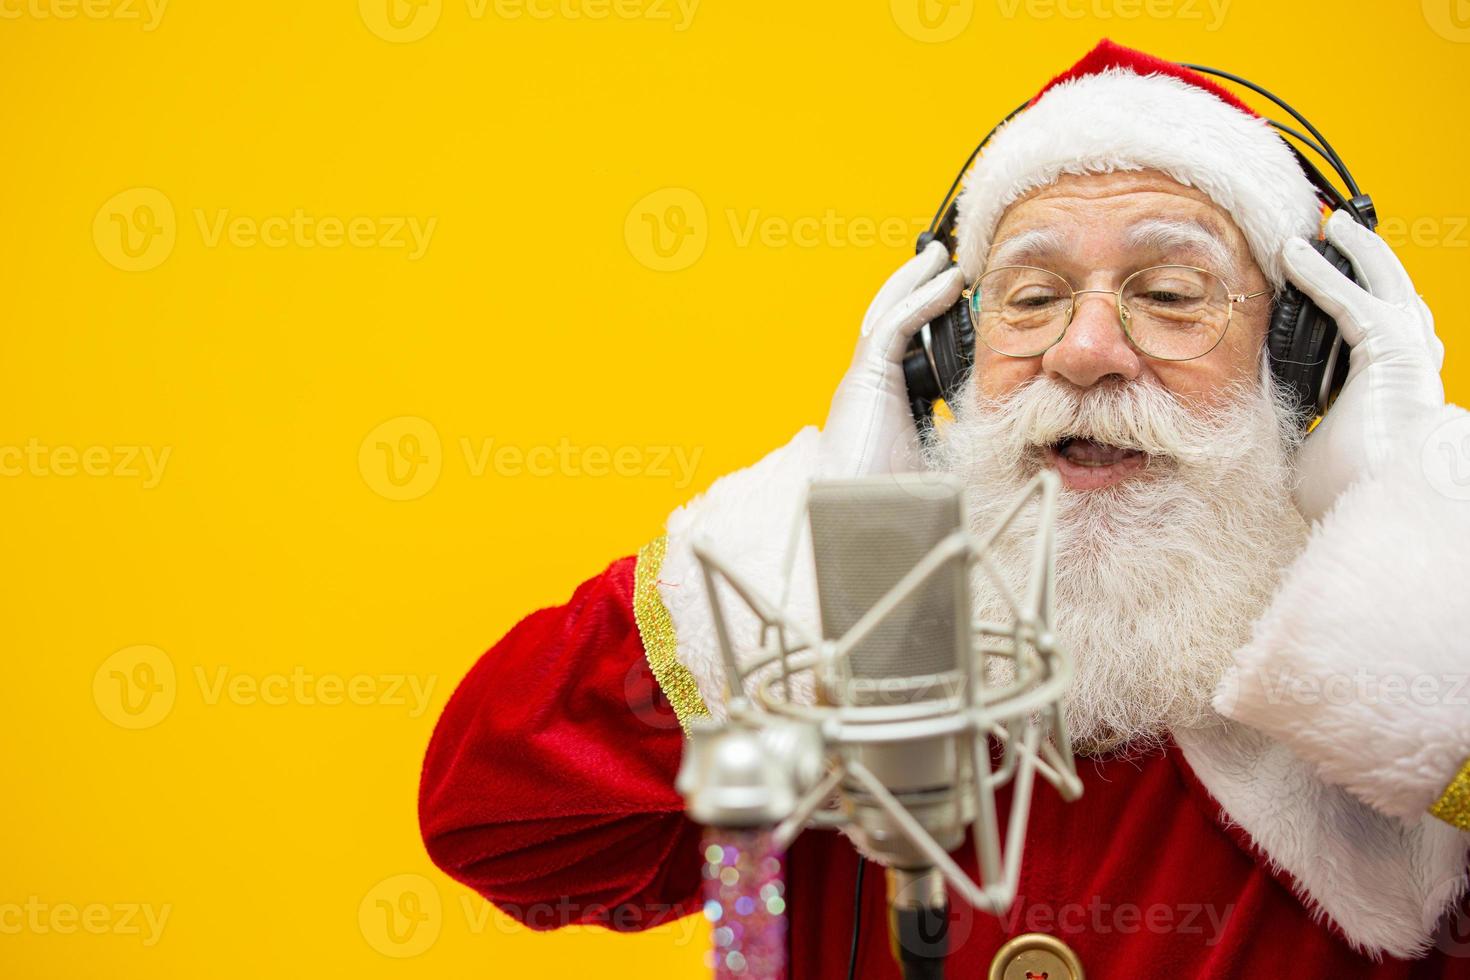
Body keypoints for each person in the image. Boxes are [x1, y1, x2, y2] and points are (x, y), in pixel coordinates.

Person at [418, 39, 1470, 977]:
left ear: (1306, 357)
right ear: (947, 358)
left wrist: (1415, 513)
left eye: (1169, 293)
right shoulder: (855, 648)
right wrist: (833, 521)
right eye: (1031, 295)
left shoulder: (1404, 683)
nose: (1085, 350)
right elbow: (500, 820)